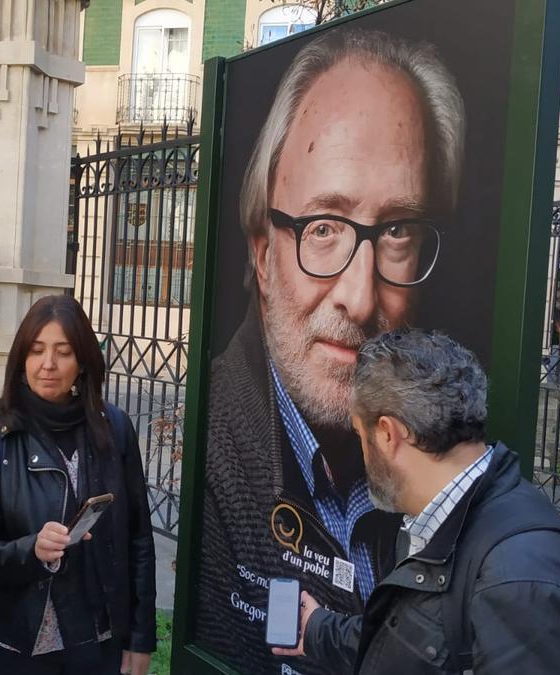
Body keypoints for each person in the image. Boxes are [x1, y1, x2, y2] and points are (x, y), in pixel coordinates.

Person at [197, 26, 466, 673]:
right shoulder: (213, 462)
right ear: (263, 256)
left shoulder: (454, 476)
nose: (359, 295)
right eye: (323, 228)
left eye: (397, 230)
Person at [285, 329, 560, 673]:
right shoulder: (459, 517)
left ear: (386, 433)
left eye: (360, 435)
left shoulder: (520, 583)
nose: (361, 451)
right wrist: (319, 630)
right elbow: (410, 636)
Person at [0, 295, 157, 675]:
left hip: (97, 638)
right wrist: (32, 549)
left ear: (82, 362)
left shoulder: (113, 429)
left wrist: (140, 638)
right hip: (13, 643)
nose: (48, 364)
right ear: (21, 361)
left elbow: (138, 540)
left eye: (63, 352)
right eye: (36, 351)